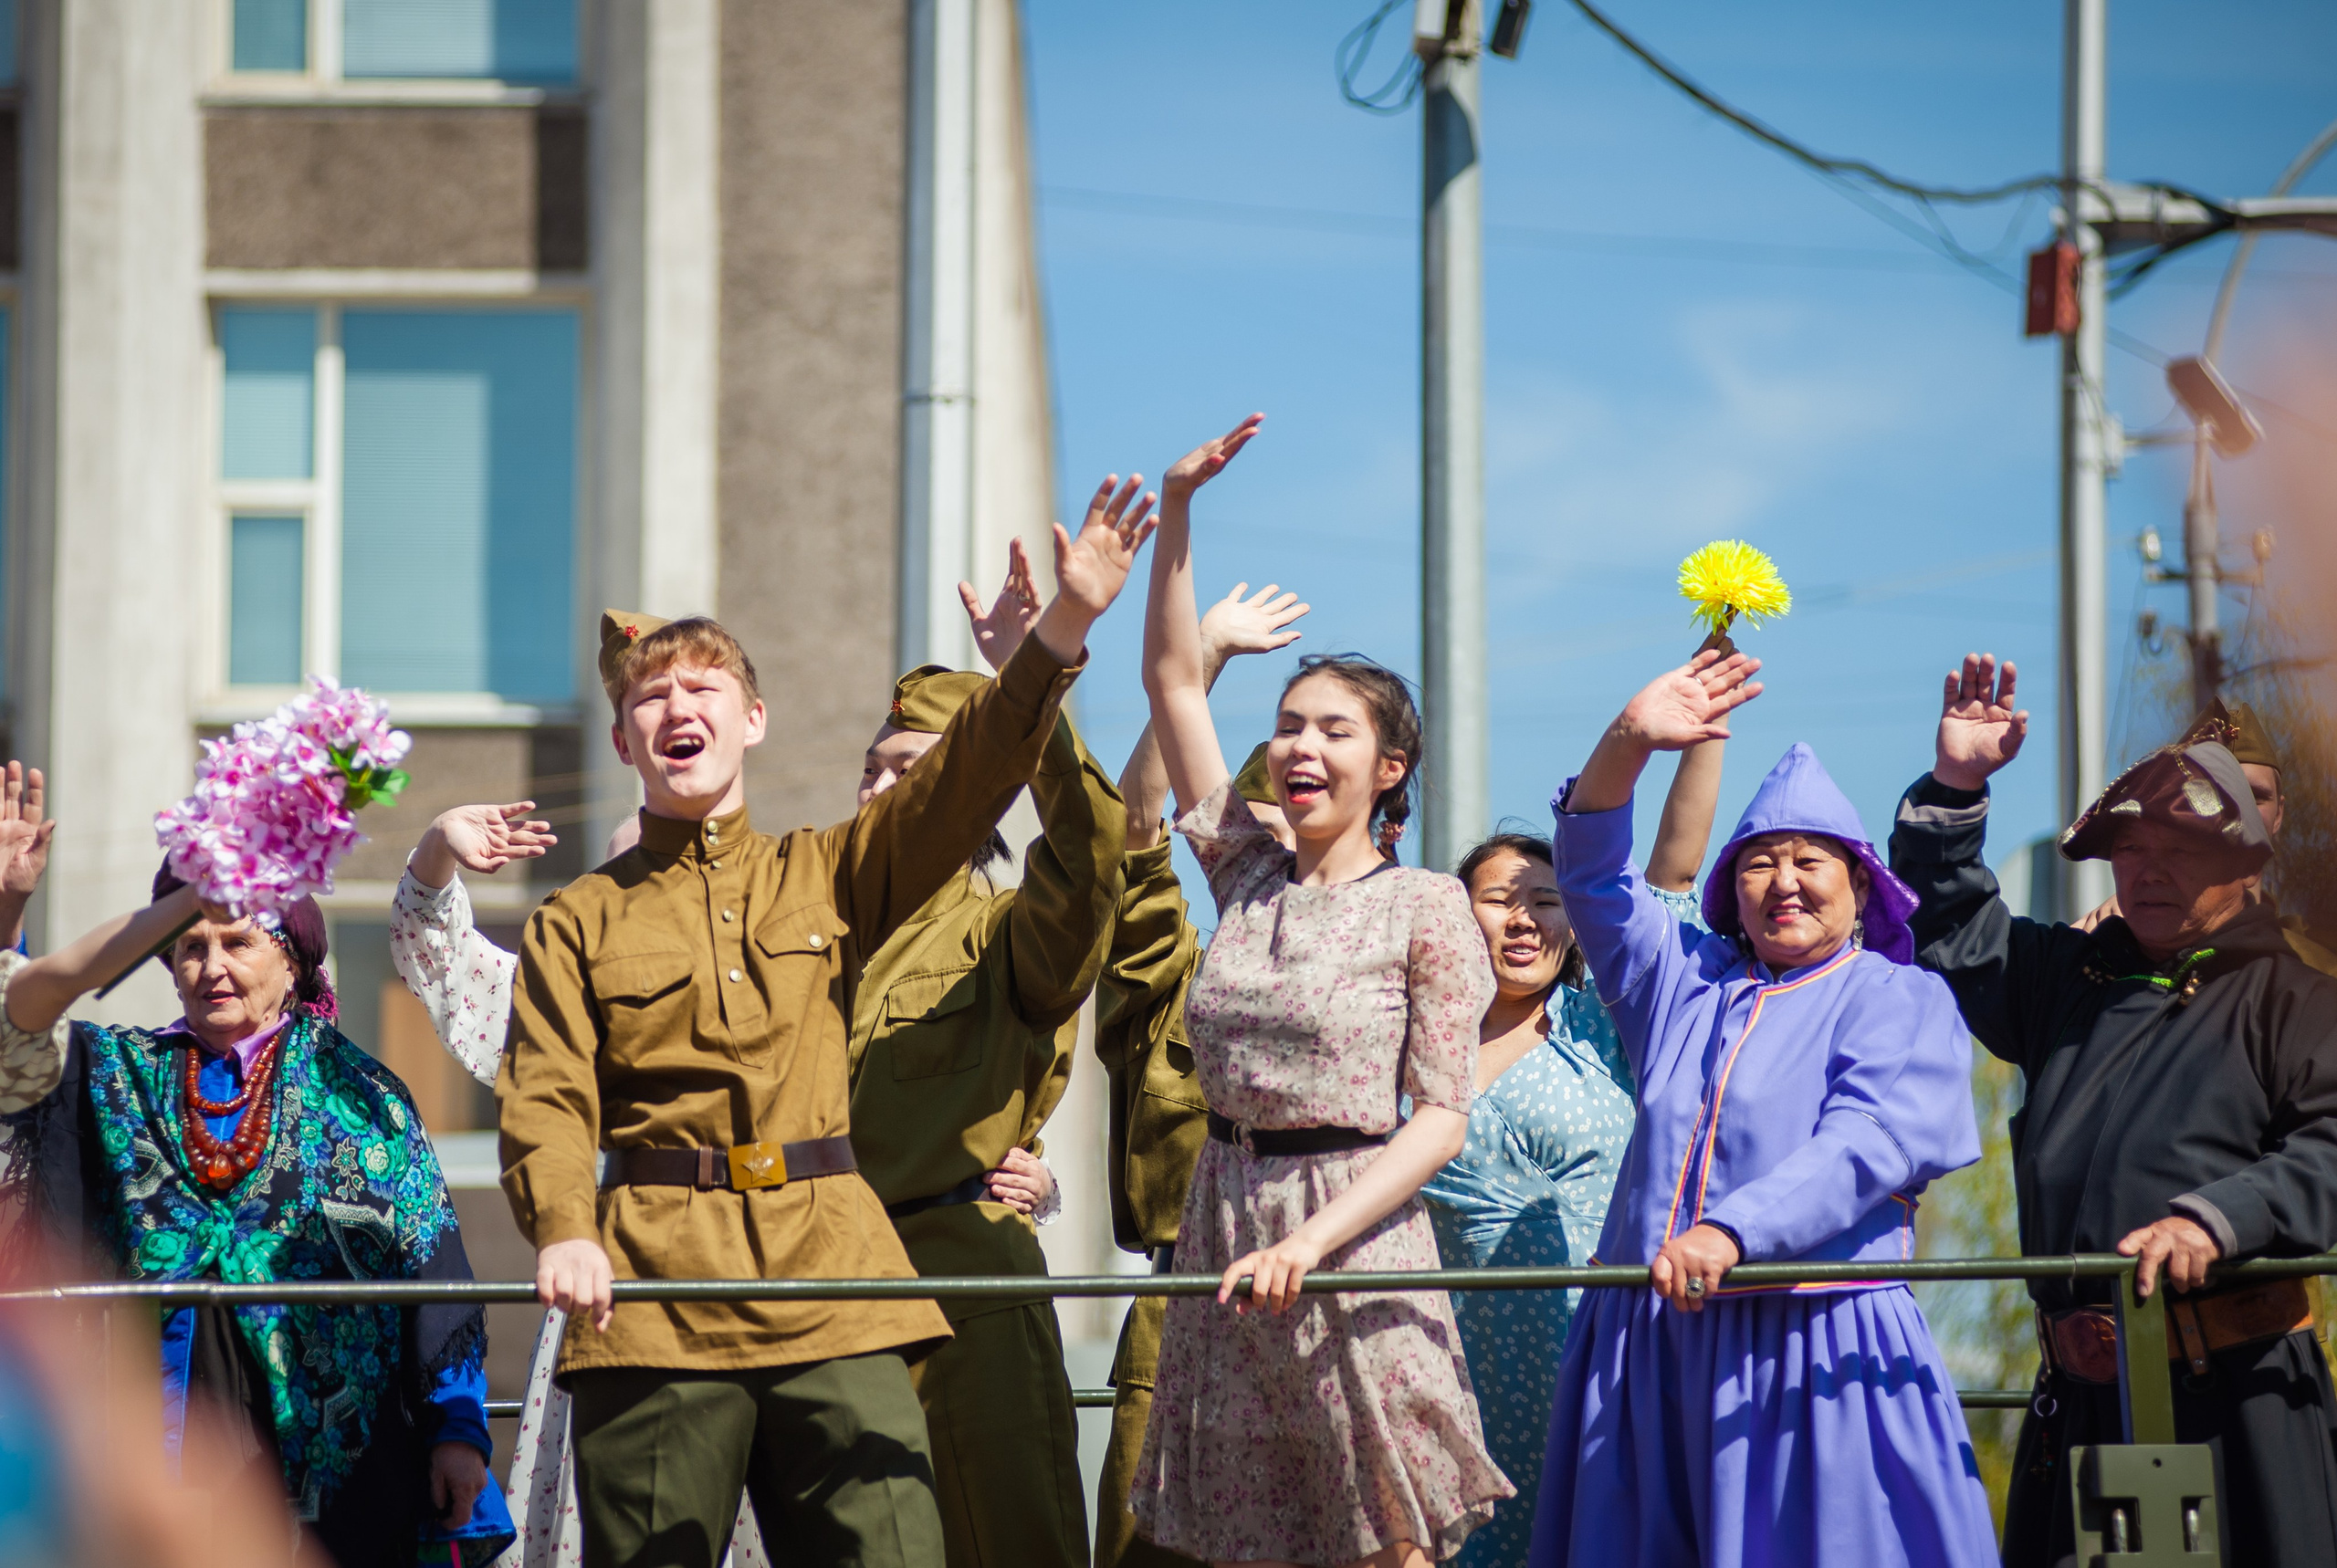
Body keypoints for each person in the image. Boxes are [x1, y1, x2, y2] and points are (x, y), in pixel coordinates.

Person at [498, 479, 1149, 1568]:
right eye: (650, 696)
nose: (676, 707)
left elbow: (968, 771)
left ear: (753, 719)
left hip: (835, 1281)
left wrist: (1062, 628)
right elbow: (547, 1093)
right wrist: (563, 1223)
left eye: (702, 685)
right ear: (620, 738)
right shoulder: (577, 917)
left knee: (893, 1548)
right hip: (658, 1289)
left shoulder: (826, 871)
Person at [1129, 413, 1510, 1568]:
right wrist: (1178, 507)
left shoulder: (1426, 905)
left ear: (1389, 767)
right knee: (1250, 1535)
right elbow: (1171, 680)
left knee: (1383, 1532)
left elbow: (1439, 1117)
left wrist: (1312, 1239)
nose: (1301, 745)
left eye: (1333, 730)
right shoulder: (1245, 869)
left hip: (1354, 1227)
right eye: (1288, 725)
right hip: (1222, 1212)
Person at [1531, 651, 1996, 1568]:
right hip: (1644, 1344)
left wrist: (1732, 1232)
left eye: (1809, 860)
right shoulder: (1682, 982)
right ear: (1729, 891)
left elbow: (1866, 1142)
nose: (1784, 880)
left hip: (1812, 1337)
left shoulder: (1896, 997)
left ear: (1860, 885)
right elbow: (1590, 879)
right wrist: (1628, 740)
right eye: (1759, 863)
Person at [1888, 653, 2337, 1568]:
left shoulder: (2298, 997)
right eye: (2131, 850)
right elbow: (1947, 922)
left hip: (2241, 1402)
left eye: (2182, 850)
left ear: (2243, 863)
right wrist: (1957, 783)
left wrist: (2216, 1218)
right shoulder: (2067, 977)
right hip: (2079, 1404)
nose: (2149, 870)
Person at [0, 849, 513, 1565]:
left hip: (336, 1445)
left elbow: (433, 1269)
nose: (211, 968)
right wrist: (9, 908)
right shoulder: (116, 1073)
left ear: (292, 960)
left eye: (238, 943)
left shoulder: (364, 1095)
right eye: (190, 947)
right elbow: (19, 1035)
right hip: (163, 1427)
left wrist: (458, 1433)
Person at [841, 539, 1126, 1568]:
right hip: (821, 1288)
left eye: (910, 768)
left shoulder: (1003, 929)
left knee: (1009, 1542)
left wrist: (1033, 684)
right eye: (871, 768)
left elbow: (1091, 862)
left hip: (964, 1284)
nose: (880, 788)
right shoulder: (804, 932)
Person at [1420, 733, 1722, 1568]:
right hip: (1445, 1362)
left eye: (1547, 900)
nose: (1524, 918)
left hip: (1597, 1350)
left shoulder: (1612, 1026)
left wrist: (1704, 736)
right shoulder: (1414, 1040)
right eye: (1498, 899)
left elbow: (1673, 877)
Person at [1094, 580, 1311, 1568]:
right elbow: (1129, 835)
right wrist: (1206, 656)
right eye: (1246, 835)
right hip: (1186, 1303)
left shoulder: (1402, 963)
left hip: (1330, 1306)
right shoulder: (1175, 978)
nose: (1263, 859)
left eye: (1286, 836)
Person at [2073, 697, 2337, 975]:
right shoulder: (2107, 952)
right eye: (2213, 796)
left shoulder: (2314, 970)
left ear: (2279, 813)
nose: (2238, 812)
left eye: (2255, 797)